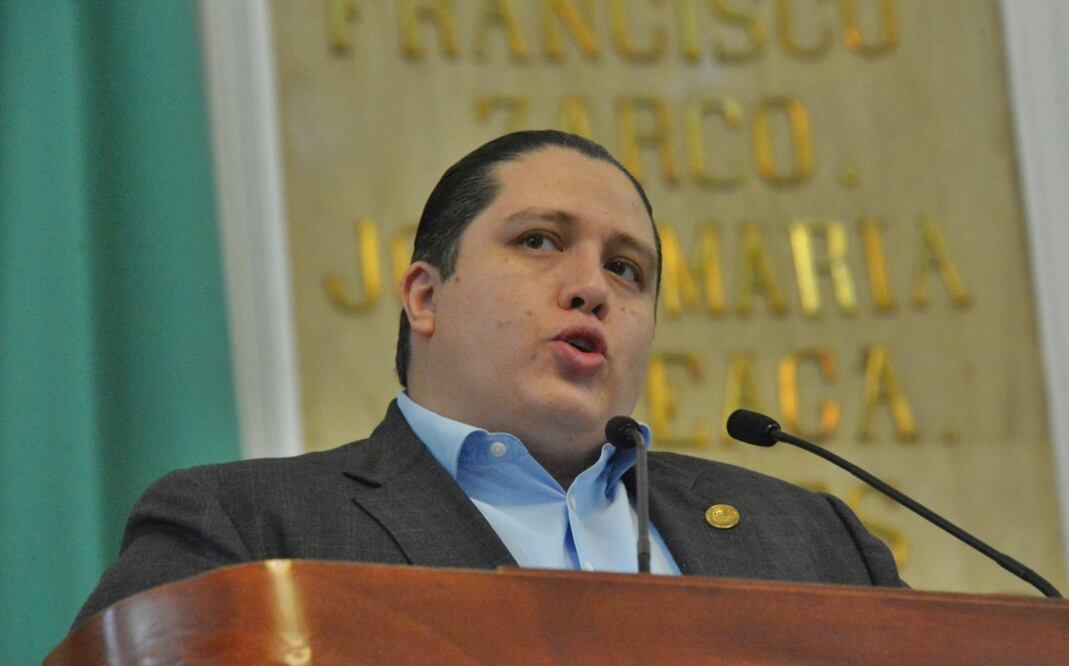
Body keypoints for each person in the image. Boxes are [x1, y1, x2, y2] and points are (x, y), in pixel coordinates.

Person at [72, 130, 903, 629]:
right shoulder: (249, 531)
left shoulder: (816, 544)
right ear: (426, 297)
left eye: (627, 269)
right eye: (540, 241)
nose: (592, 287)